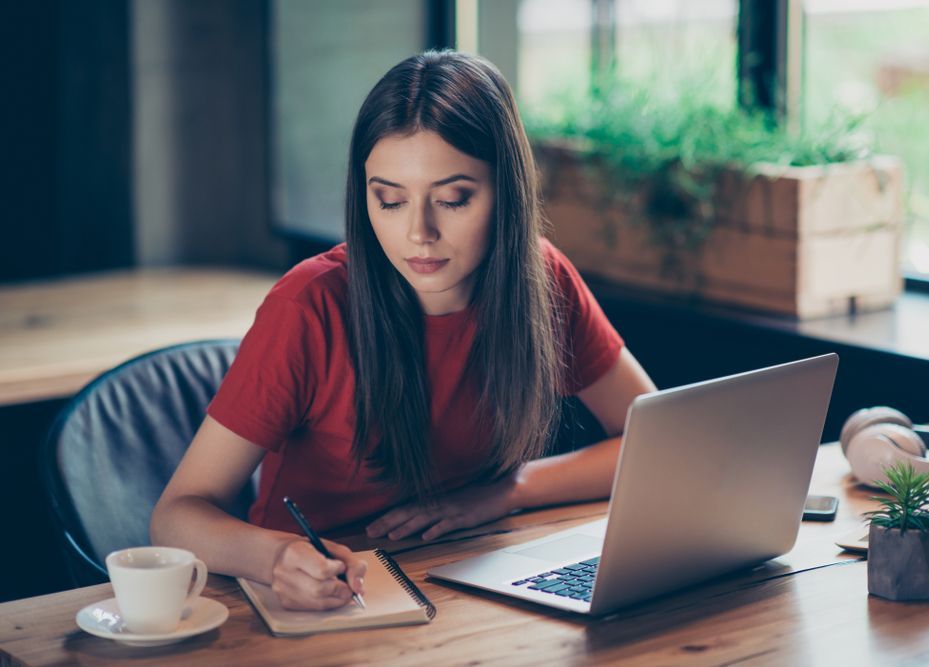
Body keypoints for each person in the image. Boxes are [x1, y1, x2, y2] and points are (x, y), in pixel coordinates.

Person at [150, 49, 656, 611]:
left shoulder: (542, 280)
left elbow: (651, 442)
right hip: (329, 596)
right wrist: (273, 557)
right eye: (388, 200)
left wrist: (503, 493)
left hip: (469, 572)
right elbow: (177, 515)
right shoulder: (309, 305)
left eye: (453, 199)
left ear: (506, 192)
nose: (419, 232)